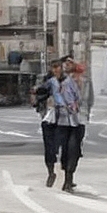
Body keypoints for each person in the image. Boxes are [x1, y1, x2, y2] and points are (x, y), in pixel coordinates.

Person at [52, 57, 89, 192]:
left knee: (75, 150)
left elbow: (89, 100)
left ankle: (69, 178)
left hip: (79, 121)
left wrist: (82, 111)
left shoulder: (86, 83)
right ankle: (67, 175)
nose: (76, 76)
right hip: (64, 121)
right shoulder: (64, 83)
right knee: (65, 150)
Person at [32, 59, 63, 187]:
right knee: (49, 149)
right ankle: (51, 172)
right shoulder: (45, 81)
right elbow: (36, 94)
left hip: (64, 119)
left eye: (58, 67)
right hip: (48, 118)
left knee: (64, 148)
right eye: (53, 67)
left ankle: (68, 177)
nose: (56, 70)